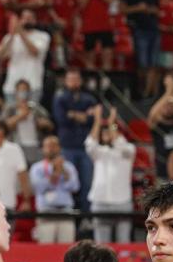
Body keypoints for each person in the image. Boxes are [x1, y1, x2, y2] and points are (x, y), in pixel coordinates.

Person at [85, 105, 135, 244]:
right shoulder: (99, 153)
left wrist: (111, 122)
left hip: (122, 202)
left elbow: (119, 143)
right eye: (104, 132)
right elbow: (90, 145)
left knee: (124, 243)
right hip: (100, 202)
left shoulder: (128, 150)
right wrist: (97, 120)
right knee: (101, 245)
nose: (107, 133)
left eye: (111, 131)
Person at [52, 68, 97, 214]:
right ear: (65, 81)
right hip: (67, 146)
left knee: (87, 184)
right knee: (67, 181)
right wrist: (82, 115)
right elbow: (61, 119)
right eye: (70, 79)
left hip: (85, 147)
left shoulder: (89, 98)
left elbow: (93, 119)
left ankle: (86, 217)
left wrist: (73, 114)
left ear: (81, 81)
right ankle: (71, 215)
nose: (74, 82)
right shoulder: (60, 98)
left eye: (76, 79)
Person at [29, 135, 79, 243]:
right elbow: (38, 188)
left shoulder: (69, 167)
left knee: (66, 249)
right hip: (46, 212)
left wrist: (63, 171)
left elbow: (75, 187)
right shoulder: (37, 168)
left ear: (60, 148)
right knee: (45, 249)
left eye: (54, 145)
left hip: (66, 212)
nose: (51, 148)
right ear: (42, 149)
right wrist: (55, 172)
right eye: (48, 146)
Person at [0, 11, 49, 99]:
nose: (27, 20)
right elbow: (0, 55)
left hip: (33, 85)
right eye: (25, 18)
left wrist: (21, 33)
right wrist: (12, 35)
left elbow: (34, 52)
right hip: (11, 86)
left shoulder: (42, 36)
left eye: (30, 18)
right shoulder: (10, 37)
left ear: (35, 21)